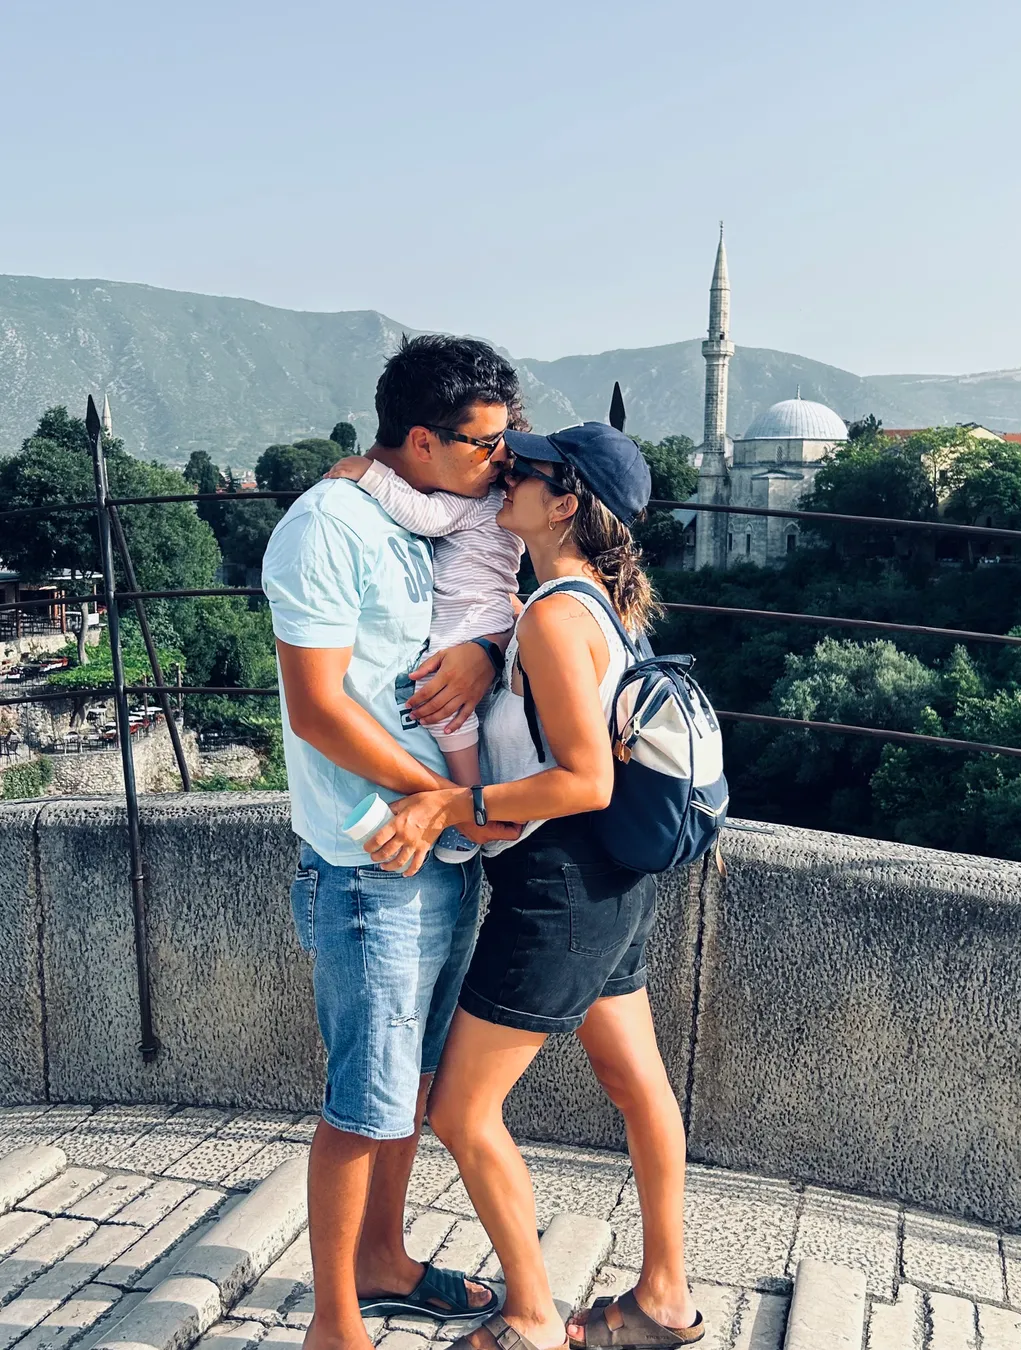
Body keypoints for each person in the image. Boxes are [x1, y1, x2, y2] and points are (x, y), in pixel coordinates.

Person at [362, 423, 706, 1350]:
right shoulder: (593, 604)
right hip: (612, 880)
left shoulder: (555, 617)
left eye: (528, 469)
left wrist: (449, 804)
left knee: (461, 1109)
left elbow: (585, 780)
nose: (506, 473)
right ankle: (664, 1297)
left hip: (560, 889)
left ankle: (529, 1317)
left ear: (565, 503)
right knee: (635, 1082)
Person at [261, 334, 524, 1350]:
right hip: (370, 857)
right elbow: (318, 709)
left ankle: (382, 1260)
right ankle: (335, 1325)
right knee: (362, 1100)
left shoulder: (423, 509)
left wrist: (486, 648)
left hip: (438, 847)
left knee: (408, 1084)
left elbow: (485, 605)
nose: (500, 460)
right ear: (421, 439)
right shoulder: (326, 527)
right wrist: (441, 796)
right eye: (484, 444)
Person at [323, 447, 524, 864]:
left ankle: (468, 806)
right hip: (489, 612)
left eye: (496, 463)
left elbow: (424, 515)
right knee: (467, 709)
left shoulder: (476, 504)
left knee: (442, 701)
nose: (491, 472)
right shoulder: (507, 514)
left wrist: (371, 473)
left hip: (468, 614)